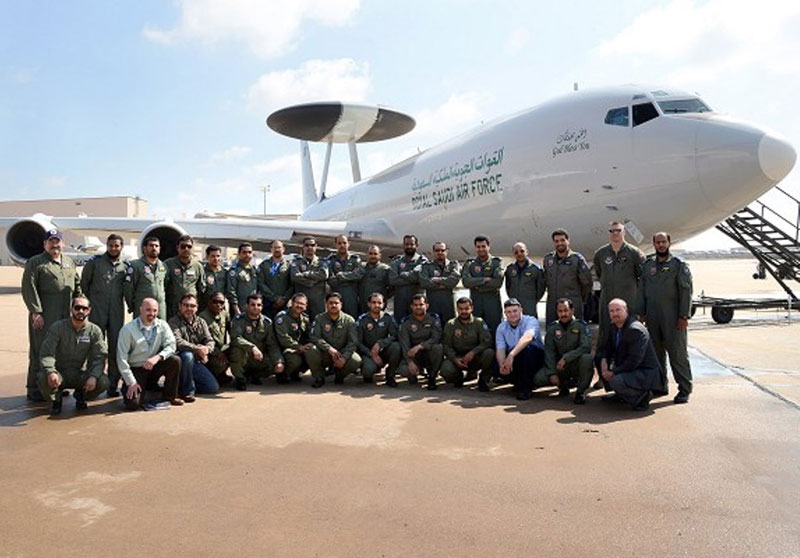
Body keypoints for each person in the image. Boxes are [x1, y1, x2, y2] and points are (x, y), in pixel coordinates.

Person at [22, 229, 80, 401]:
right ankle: (34, 388)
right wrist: (36, 312)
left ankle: (55, 385)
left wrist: (79, 305)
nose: (55, 245)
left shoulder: (68, 262)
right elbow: (28, 288)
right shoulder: (36, 262)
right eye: (51, 241)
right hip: (45, 314)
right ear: (45, 244)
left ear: (62, 243)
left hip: (65, 315)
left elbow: (76, 285)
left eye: (57, 241)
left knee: (60, 350)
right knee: (40, 350)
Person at [638, 232, 694, 404]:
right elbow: (642, 291)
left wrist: (684, 315)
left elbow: (686, 292)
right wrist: (642, 313)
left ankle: (684, 389)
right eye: (658, 242)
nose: (661, 245)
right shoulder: (648, 266)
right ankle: (660, 385)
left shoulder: (678, 265)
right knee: (656, 353)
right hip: (653, 317)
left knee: (677, 354)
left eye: (663, 242)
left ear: (669, 243)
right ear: (654, 244)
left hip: (673, 316)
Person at [39, 296, 109, 415]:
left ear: (89, 310)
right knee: (42, 377)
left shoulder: (94, 331)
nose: (80, 311)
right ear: (71, 309)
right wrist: (51, 371)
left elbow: (100, 356)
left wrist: (93, 376)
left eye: (84, 308)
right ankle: (56, 399)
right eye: (77, 308)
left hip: (80, 375)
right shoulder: (58, 328)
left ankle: (81, 395)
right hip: (60, 374)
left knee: (103, 381)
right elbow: (47, 353)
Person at [80, 233, 127, 396]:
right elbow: (84, 284)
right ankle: (91, 382)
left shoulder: (125, 266)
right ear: (107, 246)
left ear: (121, 247)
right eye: (111, 245)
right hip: (97, 312)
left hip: (116, 313)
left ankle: (113, 384)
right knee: (95, 348)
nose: (114, 248)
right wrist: (89, 305)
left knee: (115, 348)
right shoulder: (95, 263)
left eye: (117, 246)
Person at [117, 298, 183, 410]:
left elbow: (172, 345)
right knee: (133, 405)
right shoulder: (128, 329)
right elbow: (121, 358)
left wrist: (158, 357)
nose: (151, 314)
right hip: (137, 370)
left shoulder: (162, 325)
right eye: (148, 310)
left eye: (155, 310)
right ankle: (137, 388)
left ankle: (170, 396)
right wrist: (131, 382)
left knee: (175, 360)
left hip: (154, 366)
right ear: (140, 310)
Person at [600, 299, 666, 411]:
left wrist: (613, 372)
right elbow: (607, 347)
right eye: (611, 311)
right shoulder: (614, 326)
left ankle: (641, 398)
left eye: (618, 310)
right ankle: (622, 395)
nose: (615, 314)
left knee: (616, 381)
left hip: (645, 372)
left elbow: (634, 361)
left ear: (626, 310)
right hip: (629, 367)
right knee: (599, 359)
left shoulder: (635, 330)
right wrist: (603, 361)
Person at [592, 221, 645, 359]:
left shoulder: (634, 253)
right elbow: (599, 272)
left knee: (629, 333)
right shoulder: (601, 253)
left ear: (624, 232)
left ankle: (628, 367)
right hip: (607, 301)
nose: (615, 233)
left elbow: (641, 277)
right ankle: (604, 367)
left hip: (628, 301)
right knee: (605, 334)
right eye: (612, 231)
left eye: (618, 230)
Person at [533, 298, 593, 404]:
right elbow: (549, 351)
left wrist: (566, 358)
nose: (563, 314)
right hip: (559, 366)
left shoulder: (581, 326)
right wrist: (552, 373)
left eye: (566, 310)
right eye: (560, 311)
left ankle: (580, 392)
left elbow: (585, 347)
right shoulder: (553, 328)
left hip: (575, 363)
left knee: (587, 359)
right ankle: (563, 385)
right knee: (539, 379)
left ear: (572, 310)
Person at [169, 293, 219, 401]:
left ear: (197, 308)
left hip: (195, 362)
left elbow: (210, 340)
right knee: (187, 356)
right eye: (186, 305)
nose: (189, 308)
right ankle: (187, 392)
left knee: (212, 388)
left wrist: (206, 350)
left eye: (192, 306)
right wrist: (197, 349)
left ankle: (179, 386)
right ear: (180, 306)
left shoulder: (201, 322)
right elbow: (177, 341)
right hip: (179, 361)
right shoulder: (173, 322)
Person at [306, 292, 362, 388]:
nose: (333, 305)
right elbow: (314, 337)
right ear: (326, 304)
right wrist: (329, 348)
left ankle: (339, 375)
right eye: (330, 303)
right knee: (311, 350)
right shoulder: (319, 319)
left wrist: (344, 357)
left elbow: (353, 342)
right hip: (325, 353)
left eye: (336, 303)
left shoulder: (349, 320)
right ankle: (319, 377)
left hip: (341, 353)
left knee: (356, 360)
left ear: (341, 304)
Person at [229, 294, 283, 390]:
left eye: (259, 305)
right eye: (252, 305)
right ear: (247, 306)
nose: (256, 307)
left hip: (258, 357)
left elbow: (272, 344)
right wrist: (252, 347)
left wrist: (278, 361)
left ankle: (255, 375)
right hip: (245, 356)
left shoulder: (267, 322)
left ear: (262, 306)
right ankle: (240, 378)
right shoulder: (238, 320)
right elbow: (236, 338)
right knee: (236, 350)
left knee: (274, 363)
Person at [494, 298, 544, 400]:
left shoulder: (531, 320)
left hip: (534, 357)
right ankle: (516, 382)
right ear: (505, 313)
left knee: (527, 350)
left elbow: (528, 337)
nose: (512, 314)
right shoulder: (501, 327)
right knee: (495, 363)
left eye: (515, 311)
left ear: (521, 309)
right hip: (515, 359)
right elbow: (500, 349)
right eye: (509, 312)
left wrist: (511, 355)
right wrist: (502, 365)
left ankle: (526, 388)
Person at [440, 297, 494, 389]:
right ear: (457, 309)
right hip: (458, 358)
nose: (464, 311)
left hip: (475, 357)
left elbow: (487, 342)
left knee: (489, 353)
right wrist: (455, 359)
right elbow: (446, 346)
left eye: (466, 308)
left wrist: (473, 353)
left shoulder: (479, 322)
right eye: (461, 309)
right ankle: (458, 378)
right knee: (446, 370)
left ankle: (484, 380)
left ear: (472, 308)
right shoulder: (451, 324)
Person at [542, 228, 592, 325]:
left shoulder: (576, 259)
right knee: (553, 332)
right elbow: (545, 281)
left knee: (574, 332)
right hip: (553, 305)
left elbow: (587, 283)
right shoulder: (548, 260)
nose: (559, 243)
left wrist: (578, 298)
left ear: (568, 241)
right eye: (556, 241)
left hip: (571, 304)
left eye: (562, 240)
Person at [397, 294, 443, 390]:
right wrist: (410, 362)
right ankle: (413, 374)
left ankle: (432, 376)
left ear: (427, 306)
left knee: (438, 348)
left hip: (429, 353)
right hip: (414, 355)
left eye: (421, 304)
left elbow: (436, 338)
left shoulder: (434, 318)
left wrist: (420, 346)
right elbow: (404, 344)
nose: (418, 307)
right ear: (412, 307)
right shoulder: (406, 322)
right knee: (403, 370)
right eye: (415, 305)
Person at [461, 235, 504, 334]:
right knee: (476, 330)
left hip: (492, 302)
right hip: (476, 301)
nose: (481, 249)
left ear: (489, 247)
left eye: (483, 246)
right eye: (478, 247)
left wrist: (476, 283)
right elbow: (466, 282)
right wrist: (485, 280)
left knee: (494, 329)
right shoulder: (470, 263)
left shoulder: (496, 262)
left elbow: (498, 282)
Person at [356, 292, 401, 386]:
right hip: (367, 353)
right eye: (373, 302)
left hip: (383, 351)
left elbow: (395, 335)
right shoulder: (362, 319)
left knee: (396, 347)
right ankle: (371, 370)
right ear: (369, 304)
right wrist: (371, 354)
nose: (376, 305)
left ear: (383, 304)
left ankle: (390, 375)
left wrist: (381, 343)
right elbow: (358, 342)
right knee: (368, 371)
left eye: (379, 303)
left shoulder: (388, 318)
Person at [124, 236, 167, 320]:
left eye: (156, 246)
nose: (154, 248)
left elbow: (167, 285)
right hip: (143, 309)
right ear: (144, 248)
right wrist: (133, 306)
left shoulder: (163, 266)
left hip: (160, 310)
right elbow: (128, 289)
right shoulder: (136, 266)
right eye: (151, 245)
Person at [273, 293, 313, 382]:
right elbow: (283, 339)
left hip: (298, 348)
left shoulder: (305, 319)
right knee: (295, 360)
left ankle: (296, 372)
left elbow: (310, 335)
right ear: (292, 303)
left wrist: (309, 345)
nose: (299, 306)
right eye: (297, 303)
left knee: (313, 352)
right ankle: (282, 374)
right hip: (284, 349)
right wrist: (299, 347)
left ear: (306, 306)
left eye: (302, 304)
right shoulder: (282, 317)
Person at [164, 235, 205, 320]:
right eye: (183, 246)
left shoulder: (197, 266)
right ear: (177, 248)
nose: (186, 249)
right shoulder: (168, 264)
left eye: (189, 246)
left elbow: (201, 288)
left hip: (190, 307)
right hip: (173, 307)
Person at [419, 241, 461, 324]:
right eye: (437, 250)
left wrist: (437, 280)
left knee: (449, 329)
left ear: (447, 251)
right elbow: (424, 282)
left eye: (442, 250)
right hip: (433, 305)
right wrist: (445, 285)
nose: (440, 252)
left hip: (448, 306)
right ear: (433, 252)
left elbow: (453, 281)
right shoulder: (426, 266)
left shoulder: (453, 265)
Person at [389, 235, 428, 322]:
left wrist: (402, 275)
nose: (409, 246)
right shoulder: (397, 261)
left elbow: (421, 278)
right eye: (407, 244)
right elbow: (393, 280)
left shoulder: (422, 261)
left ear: (416, 245)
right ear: (403, 245)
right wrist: (413, 279)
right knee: (399, 326)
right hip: (400, 303)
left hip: (417, 303)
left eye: (412, 244)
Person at [290, 236, 329, 319]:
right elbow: (295, 276)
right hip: (301, 302)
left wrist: (307, 274)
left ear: (316, 247)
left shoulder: (322, 262)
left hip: (318, 302)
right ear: (303, 247)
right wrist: (310, 282)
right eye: (307, 245)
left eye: (312, 245)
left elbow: (324, 275)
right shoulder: (296, 261)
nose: (309, 247)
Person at [326, 235, 363, 319]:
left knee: (352, 320)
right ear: (335, 245)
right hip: (336, 296)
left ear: (348, 244)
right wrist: (350, 278)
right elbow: (331, 280)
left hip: (351, 296)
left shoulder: (355, 259)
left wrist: (341, 276)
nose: (342, 245)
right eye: (339, 243)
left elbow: (359, 274)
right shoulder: (331, 260)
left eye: (344, 243)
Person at [504, 242, 545, 317]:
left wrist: (532, 300)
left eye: (522, 251)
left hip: (529, 306)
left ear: (527, 252)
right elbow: (508, 287)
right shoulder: (510, 269)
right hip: (514, 307)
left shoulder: (536, 269)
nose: (519, 254)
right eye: (516, 252)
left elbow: (541, 289)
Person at [199, 292, 232, 385]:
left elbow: (231, 332)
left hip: (221, 348)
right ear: (209, 302)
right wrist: (217, 352)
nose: (218, 305)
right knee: (219, 362)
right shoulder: (202, 317)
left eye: (221, 302)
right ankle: (213, 375)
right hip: (209, 352)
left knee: (236, 351)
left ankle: (222, 374)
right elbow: (202, 340)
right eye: (215, 302)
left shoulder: (225, 314)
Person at [257, 239, 293, 319]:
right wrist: (275, 298)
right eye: (274, 248)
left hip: (284, 305)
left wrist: (284, 299)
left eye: (279, 247)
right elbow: (261, 283)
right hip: (268, 304)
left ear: (283, 249)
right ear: (271, 249)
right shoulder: (264, 265)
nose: (277, 249)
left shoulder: (289, 266)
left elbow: (292, 285)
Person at [227, 242, 258, 317]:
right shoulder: (234, 271)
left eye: (249, 252)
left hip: (253, 309)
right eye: (244, 252)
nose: (247, 255)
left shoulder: (253, 269)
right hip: (240, 309)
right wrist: (236, 309)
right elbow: (231, 291)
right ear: (239, 254)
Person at [358, 245, 392, 314]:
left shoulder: (385, 269)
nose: (373, 256)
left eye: (375, 254)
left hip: (377, 307)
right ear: (367, 255)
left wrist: (384, 296)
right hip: (362, 306)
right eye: (370, 254)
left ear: (380, 255)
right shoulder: (361, 267)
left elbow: (392, 287)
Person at [201, 244, 228, 310]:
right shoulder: (202, 272)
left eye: (218, 256)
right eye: (213, 256)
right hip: (205, 307)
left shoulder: (225, 273)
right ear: (207, 257)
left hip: (220, 307)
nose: (216, 259)